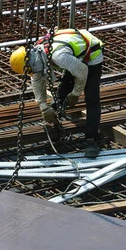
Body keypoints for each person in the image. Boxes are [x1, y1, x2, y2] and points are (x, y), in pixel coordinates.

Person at [10, 28, 104, 158]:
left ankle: (92, 140)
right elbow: (36, 79)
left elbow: (82, 71)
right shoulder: (36, 55)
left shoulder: (59, 56)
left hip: (91, 54)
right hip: (73, 55)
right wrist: (43, 107)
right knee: (64, 87)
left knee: (92, 98)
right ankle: (54, 121)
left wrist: (76, 93)